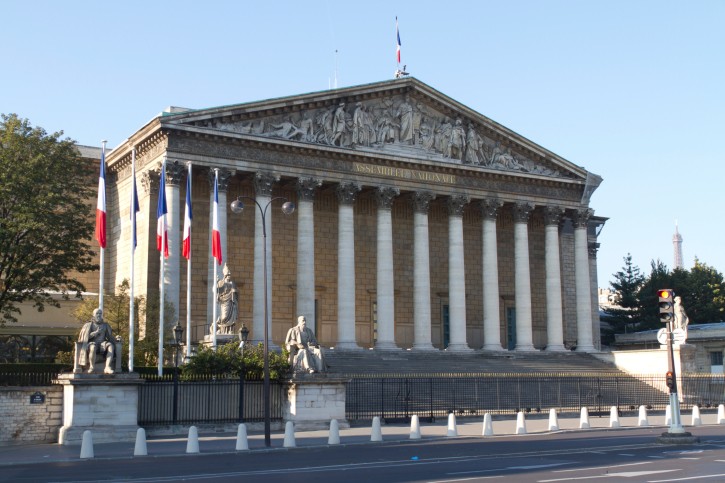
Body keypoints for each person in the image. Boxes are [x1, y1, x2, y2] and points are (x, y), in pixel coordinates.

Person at [77, 308, 115, 374]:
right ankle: (92, 367)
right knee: (93, 347)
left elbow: (110, 337)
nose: (99, 315)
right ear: (93, 315)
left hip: (102, 344)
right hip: (91, 343)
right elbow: (85, 337)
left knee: (111, 346)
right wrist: (95, 333)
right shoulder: (88, 325)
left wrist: (117, 339)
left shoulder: (105, 325)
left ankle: (107, 367)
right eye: (97, 313)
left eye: (100, 313)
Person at [215, 264, 239, 335]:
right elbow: (217, 290)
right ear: (225, 276)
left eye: (229, 275)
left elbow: (235, 291)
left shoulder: (232, 283)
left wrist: (234, 292)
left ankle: (229, 330)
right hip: (224, 302)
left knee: (232, 316)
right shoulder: (221, 282)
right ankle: (221, 329)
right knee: (224, 317)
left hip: (231, 301)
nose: (229, 276)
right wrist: (216, 283)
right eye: (228, 275)